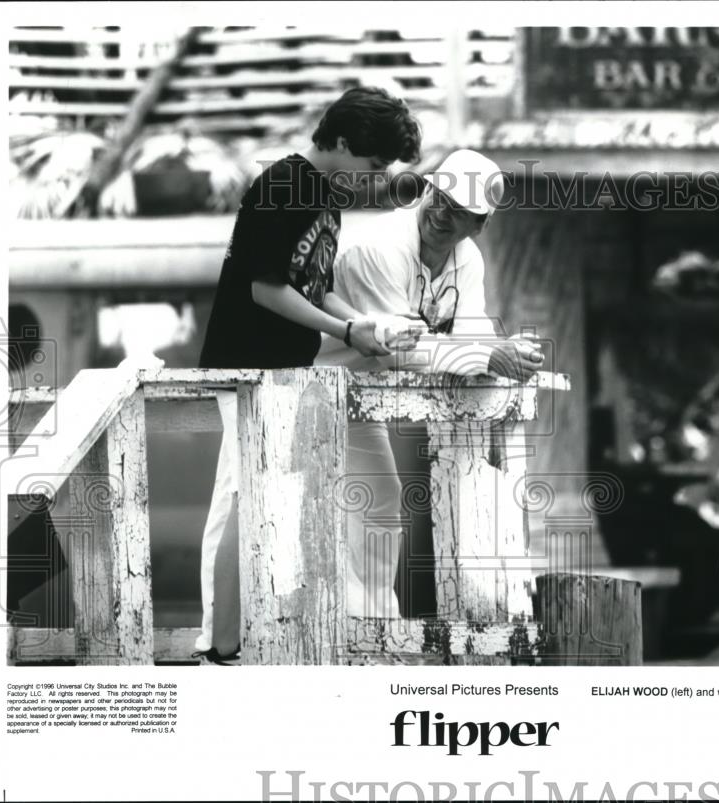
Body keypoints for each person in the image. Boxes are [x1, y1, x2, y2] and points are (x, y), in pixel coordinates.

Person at [194, 87, 422, 664]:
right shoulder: (283, 186)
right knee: (252, 499)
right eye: (373, 165)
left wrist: (365, 324)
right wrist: (345, 334)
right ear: (342, 142)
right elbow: (265, 289)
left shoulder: (323, 195)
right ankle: (223, 646)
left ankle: (256, 635)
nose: (377, 177)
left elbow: (313, 286)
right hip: (250, 366)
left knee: (281, 500)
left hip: (289, 371)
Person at [316, 149, 545, 618]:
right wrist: (488, 356)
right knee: (269, 506)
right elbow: (399, 349)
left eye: (458, 210)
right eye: (439, 197)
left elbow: (472, 332)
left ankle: (373, 625)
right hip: (301, 383)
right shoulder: (380, 247)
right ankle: (228, 641)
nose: (441, 213)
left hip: (356, 394)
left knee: (379, 503)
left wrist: (510, 352)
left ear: (478, 224)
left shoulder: (467, 257)